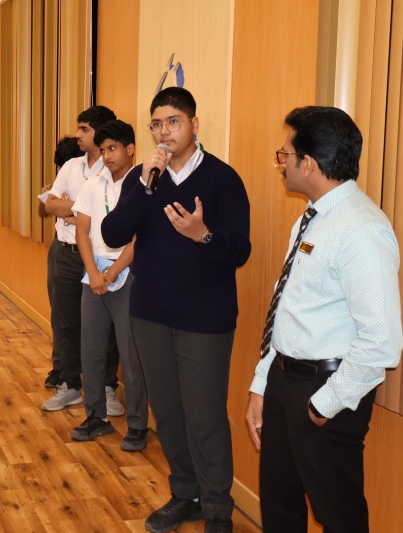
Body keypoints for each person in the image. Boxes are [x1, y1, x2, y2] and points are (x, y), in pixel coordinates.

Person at [245, 106, 403, 533]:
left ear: (309, 164)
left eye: (285, 155)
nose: (281, 164)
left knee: (339, 517)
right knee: (280, 508)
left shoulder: (361, 230)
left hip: (327, 391)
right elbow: (288, 309)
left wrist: (322, 406)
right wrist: (262, 384)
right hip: (284, 381)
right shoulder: (311, 218)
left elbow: (382, 342)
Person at [102, 87, 251, 533]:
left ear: (194, 125)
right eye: (156, 124)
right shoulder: (142, 177)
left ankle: (218, 510)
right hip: (150, 314)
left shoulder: (223, 179)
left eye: (174, 122)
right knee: (167, 412)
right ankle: (185, 494)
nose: (164, 132)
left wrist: (203, 234)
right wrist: (142, 184)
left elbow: (240, 250)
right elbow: (113, 233)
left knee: (204, 416)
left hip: (205, 320)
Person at [69, 120, 150, 451]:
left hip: (127, 275)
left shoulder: (144, 186)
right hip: (94, 276)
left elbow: (138, 239)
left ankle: (138, 425)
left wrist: (113, 272)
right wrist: (93, 272)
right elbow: (81, 231)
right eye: (103, 150)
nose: (107, 155)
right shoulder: (94, 184)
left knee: (131, 356)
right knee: (90, 350)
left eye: (113, 148)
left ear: (130, 149)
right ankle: (96, 417)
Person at [42, 105, 122, 413]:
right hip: (68, 255)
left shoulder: (113, 166)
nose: (77, 134)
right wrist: (86, 209)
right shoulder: (71, 166)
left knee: (106, 328)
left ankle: (107, 387)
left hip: (101, 258)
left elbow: (113, 214)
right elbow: (50, 206)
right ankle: (70, 385)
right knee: (68, 324)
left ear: (99, 132)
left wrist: (73, 209)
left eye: (84, 129)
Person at [40, 136, 84, 388]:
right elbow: (45, 211)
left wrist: (66, 206)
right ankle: (60, 367)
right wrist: (49, 198)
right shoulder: (61, 181)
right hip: (62, 247)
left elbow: (86, 211)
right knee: (60, 312)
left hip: (89, 250)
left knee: (84, 316)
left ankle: (77, 369)